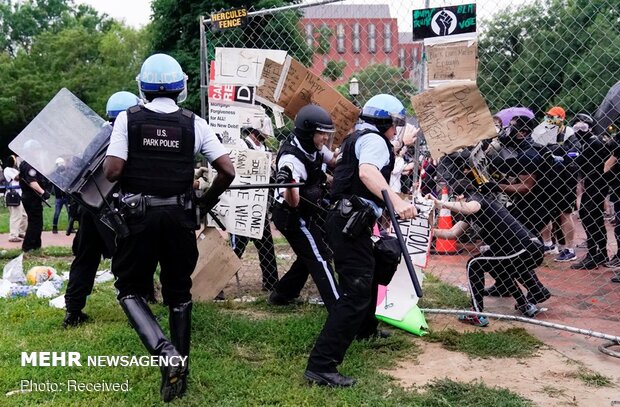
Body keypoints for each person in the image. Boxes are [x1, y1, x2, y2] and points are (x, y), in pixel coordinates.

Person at [103, 53, 235, 402]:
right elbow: (227, 170)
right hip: (180, 217)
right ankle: (180, 376)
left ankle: (166, 354)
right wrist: (203, 203)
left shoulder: (128, 120)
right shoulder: (195, 123)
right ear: (181, 88)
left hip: (139, 218)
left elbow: (113, 171)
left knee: (130, 288)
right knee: (179, 293)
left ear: (143, 87)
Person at [305, 94, 418, 387]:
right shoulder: (374, 142)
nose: (395, 130)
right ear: (384, 121)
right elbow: (367, 172)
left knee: (375, 268)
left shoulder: (359, 137)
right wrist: (394, 199)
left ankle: (365, 329)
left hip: (349, 221)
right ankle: (321, 365)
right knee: (355, 292)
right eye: (394, 124)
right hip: (349, 223)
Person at [431, 150, 551, 326]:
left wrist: (440, 202)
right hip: (523, 249)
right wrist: (430, 231)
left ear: (460, 195)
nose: (455, 200)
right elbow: (452, 233)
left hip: (524, 249)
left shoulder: (476, 199)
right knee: (496, 266)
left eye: (456, 197)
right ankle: (525, 305)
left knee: (474, 263)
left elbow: (471, 207)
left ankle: (477, 312)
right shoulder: (473, 208)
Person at [62, 91, 141, 329]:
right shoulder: (128, 136)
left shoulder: (97, 137)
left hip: (89, 208)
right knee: (129, 261)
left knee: (85, 259)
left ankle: (73, 311)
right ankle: (136, 315)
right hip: (114, 209)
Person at [267, 104, 340, 308]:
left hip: (307, 210)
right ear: (308, 133)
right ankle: (339, 307)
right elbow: (293, 201)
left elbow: (332, 161)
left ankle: (282, 295)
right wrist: (290, 183)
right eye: (321, 133)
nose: (325, 138)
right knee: (319, 256)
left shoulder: (312, 146)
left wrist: (346, 155)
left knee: (312, 252)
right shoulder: (291, 159)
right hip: (290, 215)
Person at [230, 125, 278, 292]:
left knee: (266, 246)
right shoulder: (243, 145)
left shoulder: (264, 148)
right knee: (236, 248)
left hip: (258, 206)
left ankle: (271, 283)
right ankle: (217, 282)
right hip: (243, 206)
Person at [571, 113, 612, 270]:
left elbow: (578, 162)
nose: (579, 131)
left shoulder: (592, 143)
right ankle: (599, 253)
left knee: (589, 216)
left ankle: (594, 255)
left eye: (582, 127)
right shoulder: (592, 141)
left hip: (597, 183)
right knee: (593, 217)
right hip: (595, 182)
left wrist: (569, 158)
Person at [18, 145, 50, 252]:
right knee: (35, 222)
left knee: (36, 222)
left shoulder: (25, 164)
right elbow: (32, 182)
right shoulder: (29, 165)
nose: (38, 153)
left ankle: (36, 245)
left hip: (29, 196)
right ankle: (29, 247)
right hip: (32, 196)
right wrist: (43, 192)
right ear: (30, 151)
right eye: (36, 150)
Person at [3, 155, 27, 242]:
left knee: (24, 215)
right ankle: (13, 235)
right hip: (13, 195)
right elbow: (17, 178)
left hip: (20, 194)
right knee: (15, 216)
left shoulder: (15, 170)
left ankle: (21, 231)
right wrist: (23, 171)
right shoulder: (7, 170)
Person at [51, 158, 69, 234]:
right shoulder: (55, 175)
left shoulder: (67, 173)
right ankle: (54, 226)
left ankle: (70, 227)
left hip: (66, 196)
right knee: (57, 212)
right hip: (59, 197)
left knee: (70, 212)